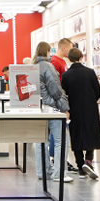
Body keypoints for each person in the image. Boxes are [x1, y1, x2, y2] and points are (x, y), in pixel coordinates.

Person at [61, 48, 100, 180]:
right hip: (90, 108)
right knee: (91, 133)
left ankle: (80, 167)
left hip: (74, 109)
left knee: (76, 135)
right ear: (81, 57)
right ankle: (88, 160)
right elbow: (98, 91)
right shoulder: (90, 72)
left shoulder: (66, 75)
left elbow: (64, 93)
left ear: (69, 59)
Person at [33, 41, 72, 183]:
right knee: (61, 140)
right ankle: (59, 173)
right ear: (48, 52)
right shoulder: (48, 67)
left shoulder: (33, 67)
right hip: (51, 108)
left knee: (40, 140)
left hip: (37, 108)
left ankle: (42, 171)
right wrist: (64, 108)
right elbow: (56, 90)